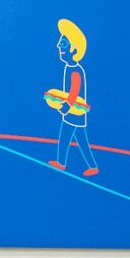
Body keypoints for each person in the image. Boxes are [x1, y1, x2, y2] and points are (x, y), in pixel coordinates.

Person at [46, 19, 98, 177]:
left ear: (73, 49)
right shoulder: (70, 67)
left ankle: (62, 163)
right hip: (75, 112)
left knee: (66, 137)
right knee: (81, 140)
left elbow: (74, 91)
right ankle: (91, 166)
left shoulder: (75, 70)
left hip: (74, 111)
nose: (58, 46)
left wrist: (66, 106)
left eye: (63, 44)